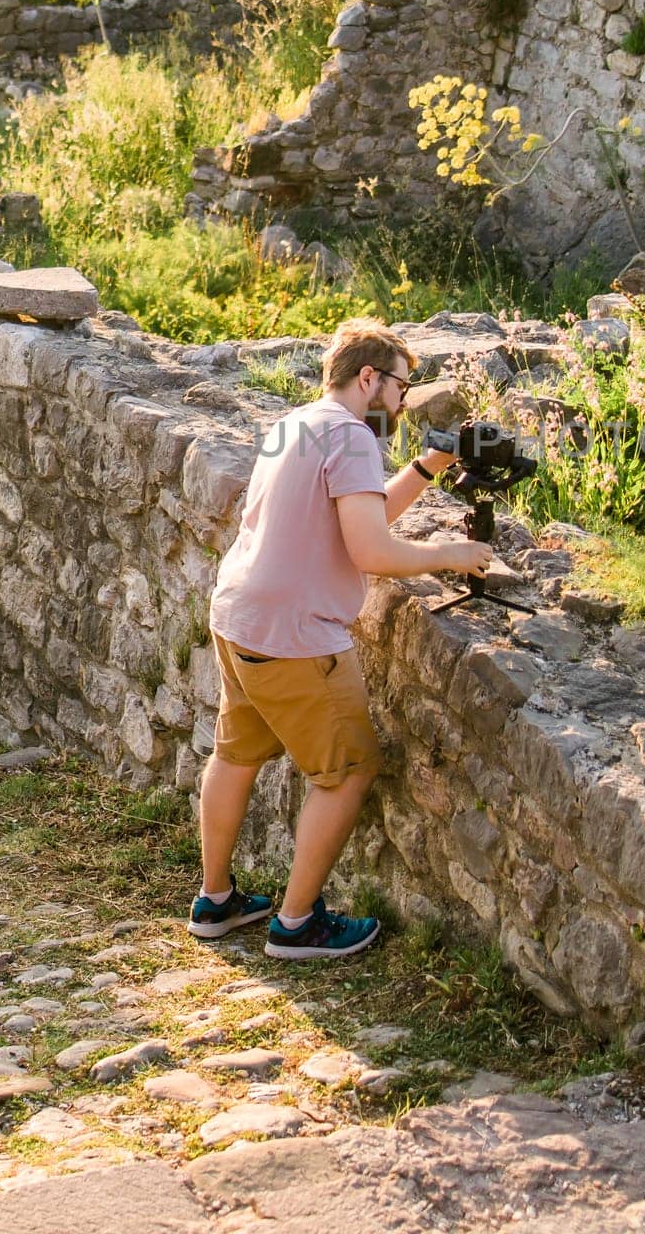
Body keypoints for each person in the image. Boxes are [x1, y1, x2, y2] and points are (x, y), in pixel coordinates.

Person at [188, 318, 493, 960]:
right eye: (400, 388)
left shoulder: (295, 424)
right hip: (294, 634)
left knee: (235, 755)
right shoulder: (353, 436)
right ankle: (297, 926)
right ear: (368, 378)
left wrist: (425, 466)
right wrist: (451, 552)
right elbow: (370, 549)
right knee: (351, 769)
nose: (403, 403)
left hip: (240, 614)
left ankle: (215, 902)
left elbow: (360, 510)